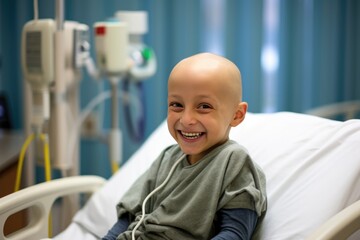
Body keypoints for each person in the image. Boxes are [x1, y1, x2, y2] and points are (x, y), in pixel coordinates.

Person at [102, 53, 267, 240]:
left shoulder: (233, 161)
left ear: (237, 115)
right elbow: (127, 217)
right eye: (177, 105)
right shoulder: (166, 158)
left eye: (204, 106)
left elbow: (234, 233)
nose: (186, 119)